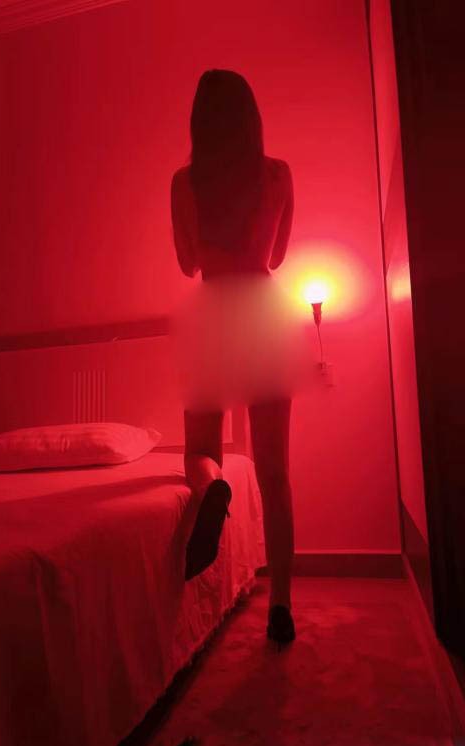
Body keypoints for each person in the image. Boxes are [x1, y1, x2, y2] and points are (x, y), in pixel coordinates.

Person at [170, 69, 311, 646]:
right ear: (252, 118)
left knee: (200, 451)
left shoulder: (185, 182)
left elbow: (186, 263)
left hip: (213, 313)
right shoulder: (277, 174)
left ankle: (212, 490)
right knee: (276, 473)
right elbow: (277, 257)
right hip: (262, 315)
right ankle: (281, 606)